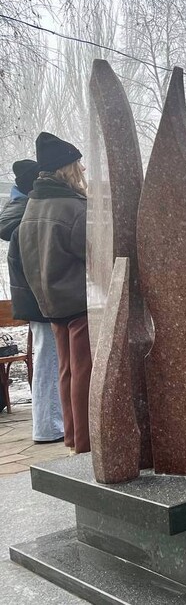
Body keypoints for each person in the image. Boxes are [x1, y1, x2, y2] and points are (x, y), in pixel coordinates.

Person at [19, 133, 91, 454]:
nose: (84, 170)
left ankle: (74, 438)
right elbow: (96, 253)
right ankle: (88, 442)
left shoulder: (33, 205)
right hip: (79, 302)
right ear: (67, 169)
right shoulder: (73, 208)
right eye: (79, 165)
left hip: (50, 303)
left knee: (66, 371)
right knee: (83, 373)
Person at [0, 159, 63, 443]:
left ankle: (50, 423)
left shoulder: (19, 211)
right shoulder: (25, 213)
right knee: (50, 360)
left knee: (51, 359)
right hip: (42, 298)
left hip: (38, 296)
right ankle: (49, 426)